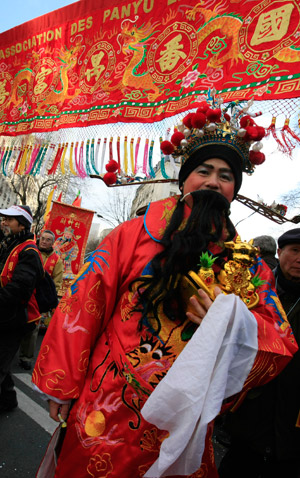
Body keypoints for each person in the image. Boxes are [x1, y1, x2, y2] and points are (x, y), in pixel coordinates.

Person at [32, 98, 297, 478]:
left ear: (234, 189)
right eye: (203, 170)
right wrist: (61, 384)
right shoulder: (132, 235)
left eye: (225, 175)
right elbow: (84, 305)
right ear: (183, 178)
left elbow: (280, 340)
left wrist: (233, 321)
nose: (212, 181)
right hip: (106, 401)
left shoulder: (249, 265)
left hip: (184, 418)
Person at [218, 228, 300, 478]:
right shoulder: (253, 290)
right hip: (247, 409)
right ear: (279, 252)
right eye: (295, 251)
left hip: (292, 415)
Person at [0, 205, 43, 412]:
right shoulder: (10, 244)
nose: (4, 222)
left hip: (15, 318)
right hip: (4, 314)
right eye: (4, 219)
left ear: (22, 224)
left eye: (9, 219)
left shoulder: (29, 251)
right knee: (2, 362)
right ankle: (8, 401)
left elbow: (19, 289)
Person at [19, 229, 63, 370]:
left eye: (48, 239)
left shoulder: (57, 260)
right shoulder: (30, 251)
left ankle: (26, 357)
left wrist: (47, 299)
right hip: (21, 293)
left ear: (53, 243)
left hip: (38, 300)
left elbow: (57, 282)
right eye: (42, 238)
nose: (44, 241)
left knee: (33, 328)